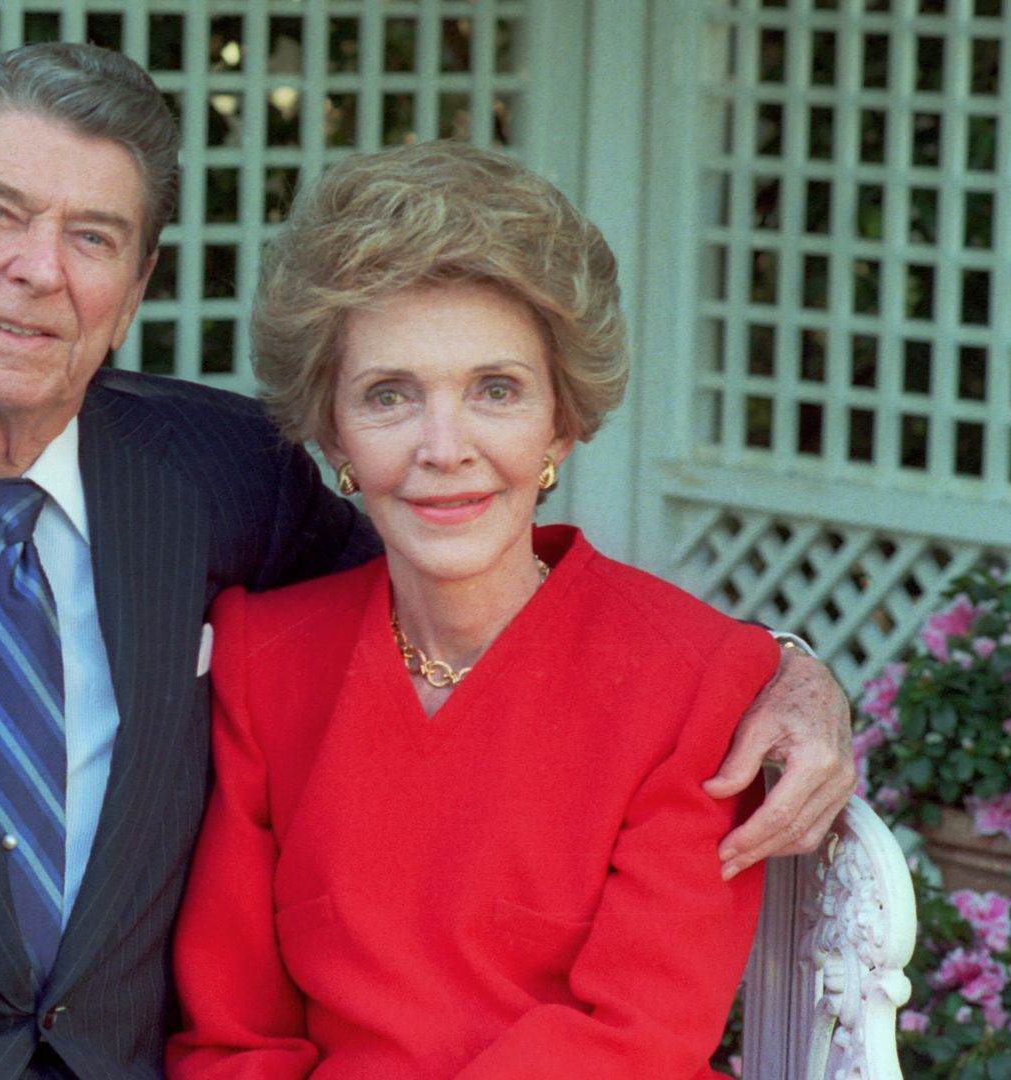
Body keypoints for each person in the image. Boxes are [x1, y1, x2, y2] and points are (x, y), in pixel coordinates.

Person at [0, 42, 851, 1079]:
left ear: (135, 285)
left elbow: (471, 579)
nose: (36, 272)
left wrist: (783, 673)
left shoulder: (217, 476)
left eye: (93, 235)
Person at [167, 142, 770, 1079]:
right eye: (390, 395)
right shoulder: (263, 663)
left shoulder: (693, 683)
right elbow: (233, 1038)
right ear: (332, 433)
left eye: (496, 390)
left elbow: (637, 1041)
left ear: (561, 422)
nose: (444, 448)